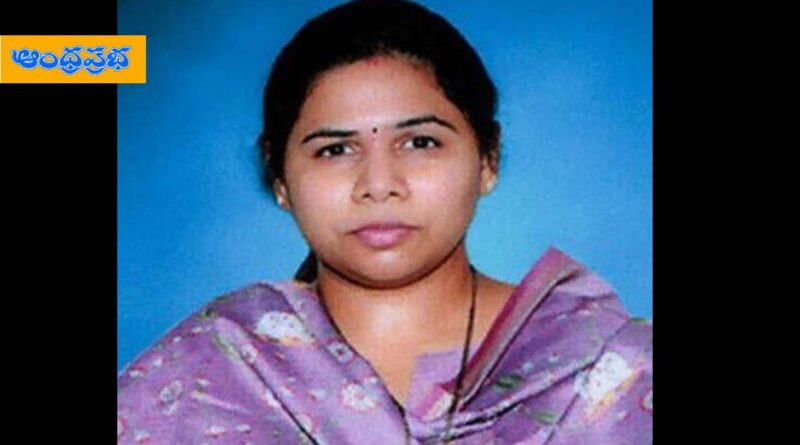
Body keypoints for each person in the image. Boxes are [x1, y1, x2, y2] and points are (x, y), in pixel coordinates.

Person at [116, 0, 652, 443]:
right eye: (334, 150)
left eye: (420, 142)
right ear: (279, 178)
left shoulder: (607, 367)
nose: (378, 184)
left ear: (487, 159)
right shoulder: (207, 374)